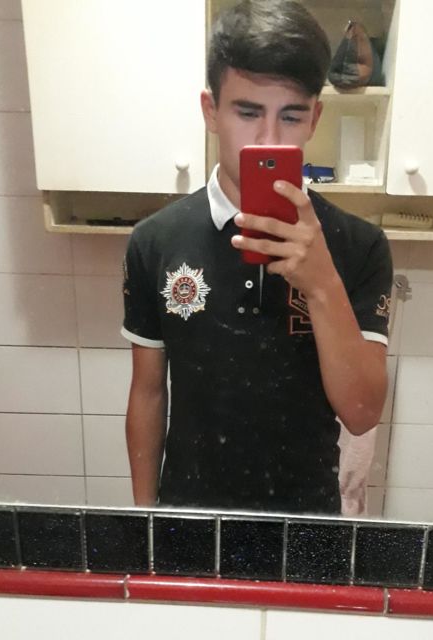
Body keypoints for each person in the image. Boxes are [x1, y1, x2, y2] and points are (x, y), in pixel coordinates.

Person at [122, 0, 393, 514]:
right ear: (211, 111)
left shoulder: (359, 245)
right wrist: (144, 519)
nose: (268, 138)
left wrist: (322, 283)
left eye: (290, 115)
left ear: (315, 118)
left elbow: (362, 413)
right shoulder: (155, 241)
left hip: (308, 525)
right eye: (247, 112)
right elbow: (149, 393)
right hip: (189, 518)